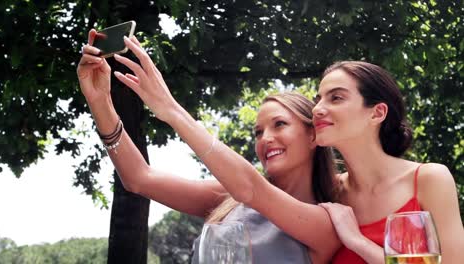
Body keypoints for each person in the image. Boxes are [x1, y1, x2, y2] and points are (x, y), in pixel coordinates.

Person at [77, 29, 341, 263]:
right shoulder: (229, 198)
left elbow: (250, 188)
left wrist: (171, 110)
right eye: (258, 132)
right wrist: (100, 102)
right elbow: (139, 178)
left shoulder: (325, 223)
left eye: (280, 124)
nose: (265, 138)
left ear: (312, 136)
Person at [313, 61, 464, 263]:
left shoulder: (430, 180)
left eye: (336, 98)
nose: (317, 109)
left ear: (377, 113)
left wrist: (357, 241)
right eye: (318, 99)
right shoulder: (328, 190)